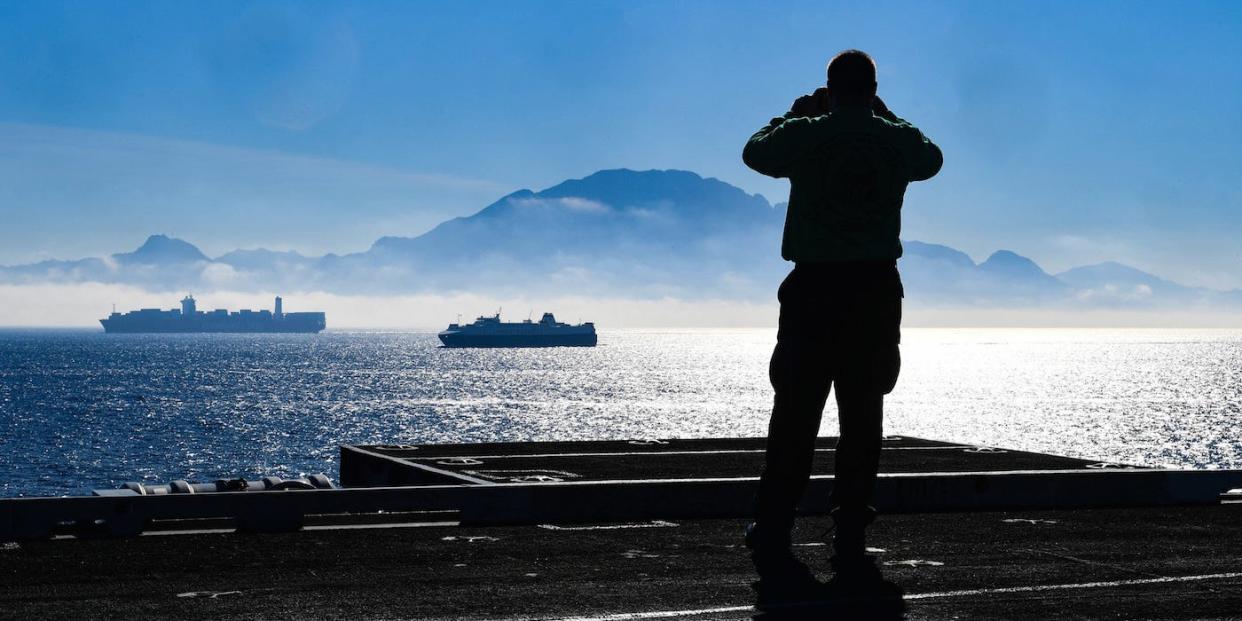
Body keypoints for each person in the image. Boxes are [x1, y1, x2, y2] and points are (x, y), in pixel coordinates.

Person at [740, 49, 942, 596]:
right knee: (864, 410)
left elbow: (755, 152)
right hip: (874, 291)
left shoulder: (808, 133)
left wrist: (795, 114)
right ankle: (850, 525)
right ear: (873, 89)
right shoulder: (892, 138)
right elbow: (931, 160)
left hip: (814, 289)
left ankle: (775, 522)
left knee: (795, 411)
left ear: (829, 88)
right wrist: (887, 116)